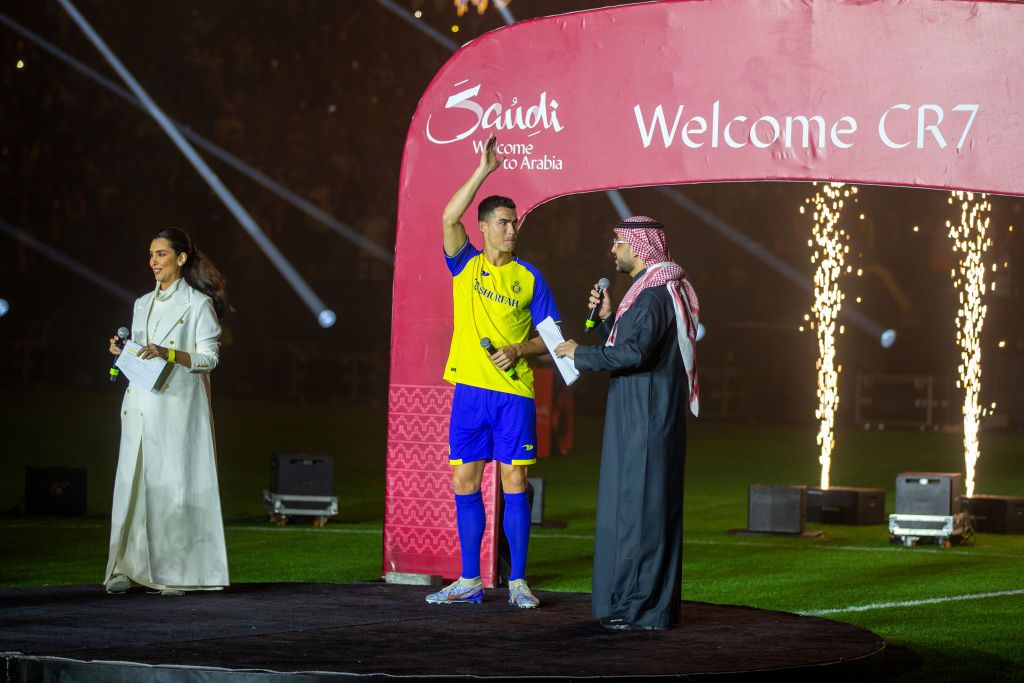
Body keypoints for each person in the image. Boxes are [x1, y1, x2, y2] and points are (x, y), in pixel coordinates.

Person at [425, 134, 560, 609]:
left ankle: (518, 581)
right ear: (482, 227)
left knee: (514, 482)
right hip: (470, 393)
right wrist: (483, 171)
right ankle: (468, 581)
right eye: (503, 222)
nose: (511, 230)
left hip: (514, 395)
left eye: (515, 223)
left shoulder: (530, 277)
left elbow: (553, 339)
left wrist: (520, 347)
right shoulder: (465, 265)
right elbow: (447, 217)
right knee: (464, 481)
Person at [555, 216, 699, 630]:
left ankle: (640, 608)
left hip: (647, 416)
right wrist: (605, 320)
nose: (613, 251)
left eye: (618, 243)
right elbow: (628, 343)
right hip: (637, 411)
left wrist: (577, 353)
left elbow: (634, 353)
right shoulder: (648, 291)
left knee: (643, 514)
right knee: (632, 509)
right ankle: (633, 605)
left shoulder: (654, 294)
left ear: (639, 247)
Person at [104, 227, 231, 596]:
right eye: (151, 255)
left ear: (181, 258)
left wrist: (168, 353)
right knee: (134, 482)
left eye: (161, 254)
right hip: (140, 404)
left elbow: (209, 358)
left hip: (177, 406)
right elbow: (142, 354)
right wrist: (124, 351)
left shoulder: (197, 304)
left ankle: (175, 572)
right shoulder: (142, 303)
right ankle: (127, 567)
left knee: (174, 484)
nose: (153, 262)